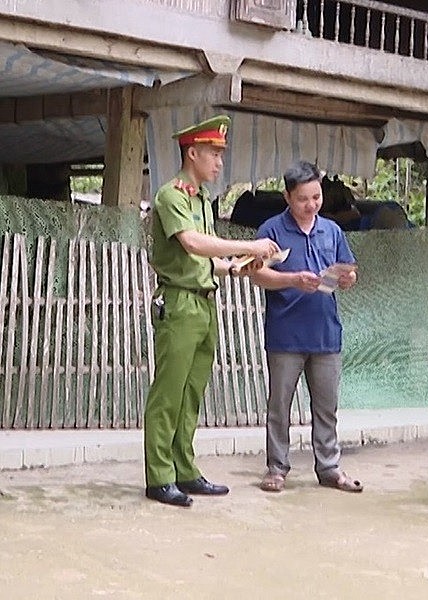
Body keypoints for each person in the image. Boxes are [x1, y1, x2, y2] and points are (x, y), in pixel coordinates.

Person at [145, 115, 280, 507]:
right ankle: (159, 477)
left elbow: (208, 260)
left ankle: (184, 470)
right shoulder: (171, 195)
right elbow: (192, 243)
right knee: (168, 394)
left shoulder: (201, 198)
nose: (220, 163)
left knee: (192, 393)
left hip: (205, 302)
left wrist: (240, 265)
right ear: (193, 153)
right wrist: (248, 246)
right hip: (180, 303)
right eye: (215, 154)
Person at [251, 161, 362, 494]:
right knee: (279, 405)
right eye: (303, 199)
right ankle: (276, 468)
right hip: (285, 332)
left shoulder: (332, 230)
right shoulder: (270, 231)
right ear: (287, 196)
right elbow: (257, 275)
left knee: (327, 406)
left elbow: (350, 270)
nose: (311, 204)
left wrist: (348, 278)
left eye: (316, 197)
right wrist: (292, 280)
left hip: (326, 332)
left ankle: (328, 467)